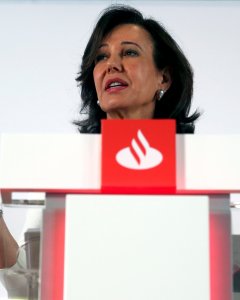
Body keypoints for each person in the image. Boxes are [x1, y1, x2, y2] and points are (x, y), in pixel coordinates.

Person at [74, 4, 200, 134]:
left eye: (130, 53)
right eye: (101, 57)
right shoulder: (69, 153)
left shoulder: (193, 153)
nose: (111, 64)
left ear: (164, 78)